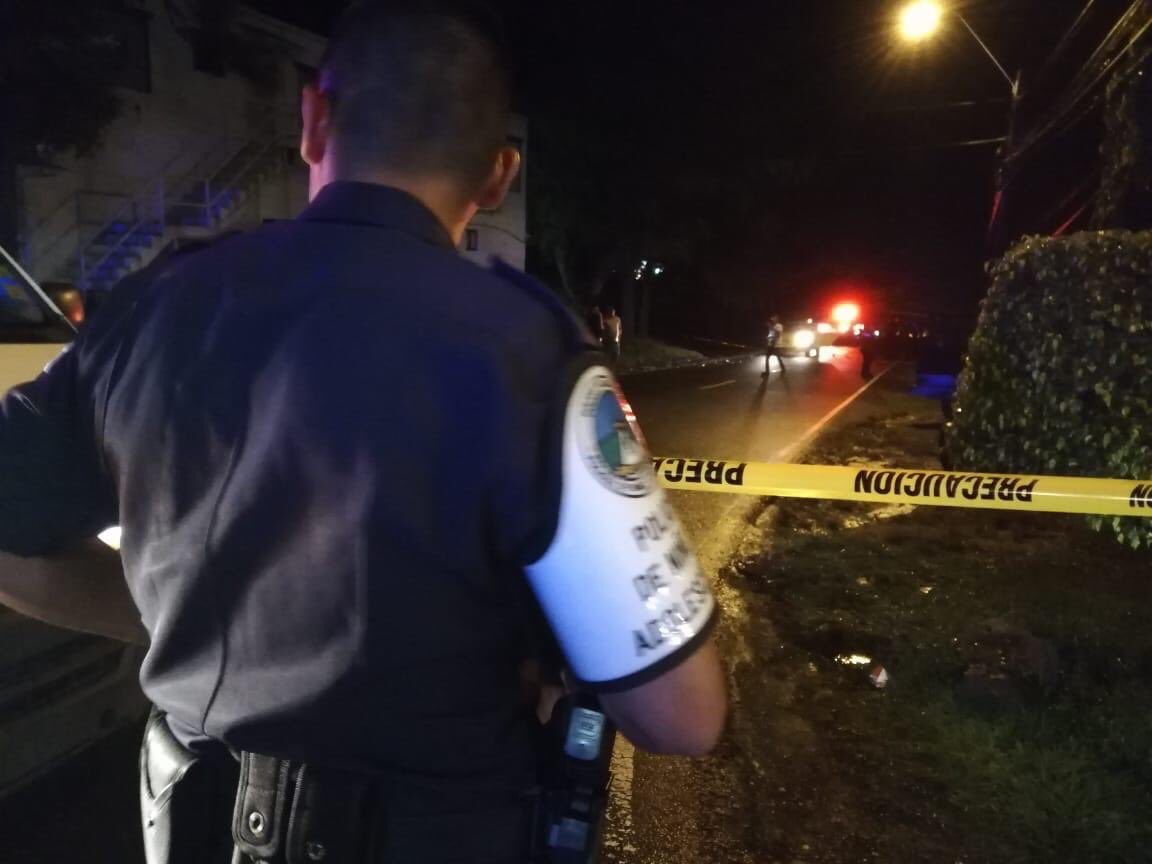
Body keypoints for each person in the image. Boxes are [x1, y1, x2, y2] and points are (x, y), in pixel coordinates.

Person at [0, 5, 726, 863]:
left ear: (312, 122)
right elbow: (683, 714)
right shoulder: (532, 355)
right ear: (497, 176)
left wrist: (173, 615)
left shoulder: (151, 311)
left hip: (193, 826)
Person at [763, 313, 785, 377]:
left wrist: (771, 327)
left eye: (774, 318)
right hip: (771, 344)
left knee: (778, 357)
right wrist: (768, 338)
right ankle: (767, 371)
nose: (772, 319)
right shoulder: (772, 326)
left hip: (776, 345)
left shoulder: (779, 326)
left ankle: (782, 368)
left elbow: (778, 333)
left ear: (777, 319)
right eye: (772, 318)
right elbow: (771, 335)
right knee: (767, 358)